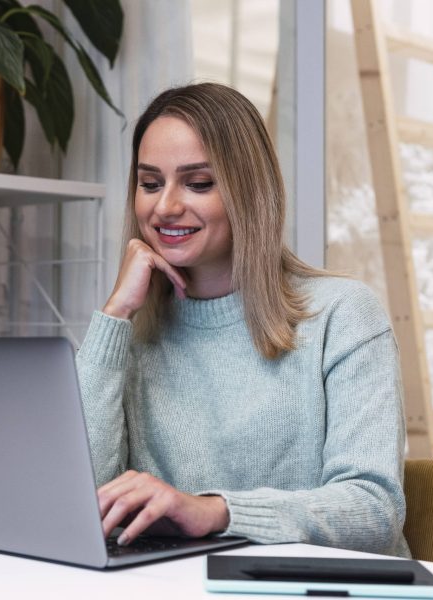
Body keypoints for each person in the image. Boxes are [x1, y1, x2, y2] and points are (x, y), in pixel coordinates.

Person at [76, 82, 410, 557]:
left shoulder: (343, 315)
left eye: (198, 183)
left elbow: (373, 510)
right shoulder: (128, 338)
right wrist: (115, 316)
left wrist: (216, 511)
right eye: (150, 183)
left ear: (248, 191)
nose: (165, 206)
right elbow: (86, 506)